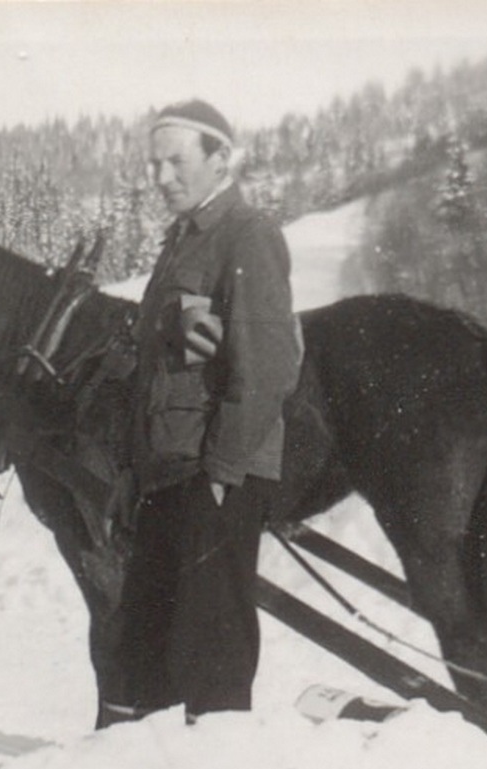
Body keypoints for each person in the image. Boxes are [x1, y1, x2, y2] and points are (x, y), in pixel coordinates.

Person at [109, 98, 302, 725]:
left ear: (221, 159)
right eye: (154, 165)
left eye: (177, 161)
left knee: (210, 650)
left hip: (213, 473)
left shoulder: (247, 235)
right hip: (169, 469)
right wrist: (134, 467)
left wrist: (222, 470)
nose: (162, 177)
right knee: (144, 650)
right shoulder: (182, 243)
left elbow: (268, 363)